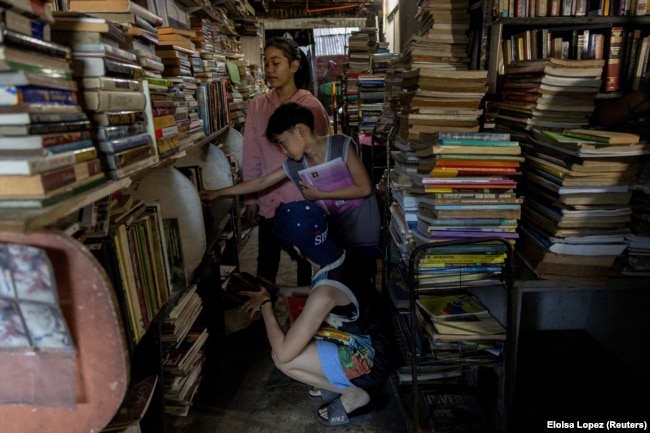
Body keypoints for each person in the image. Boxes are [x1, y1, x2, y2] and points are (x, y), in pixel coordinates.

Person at [239, 200, 393, 426]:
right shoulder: (339, 255)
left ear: (297, 250)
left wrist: (265, 305)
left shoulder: (325, 293)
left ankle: (355, 392)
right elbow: (323, 290)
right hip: (374, 340)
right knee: (301, 333)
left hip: (369, 361)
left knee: (283, 359)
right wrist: (282, 290)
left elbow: (283, 352)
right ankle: (336, 381)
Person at [199, 102, 381, 280]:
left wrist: (320, 195)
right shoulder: (296, 164)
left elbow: (364, 188)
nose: (284, 151)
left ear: (300, 131)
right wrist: (219, 193)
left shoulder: (341, 145)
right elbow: (262, 182)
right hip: (337, 234)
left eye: (283, 143)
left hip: (362, 230)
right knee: (340, 280)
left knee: (362, 282)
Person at [241, 36, 330, 286]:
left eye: (276, 63)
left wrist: (323, 199)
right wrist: (250, 199)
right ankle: (264, 315)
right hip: (270, 200)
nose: (269, 70)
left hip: (305, 201)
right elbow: (252, 154)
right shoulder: (257, 106)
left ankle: (306, 319)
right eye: (266, 63)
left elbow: (321, 157)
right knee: (265, 265)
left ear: (293, 66)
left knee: (308, 265)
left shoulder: (311, 107)